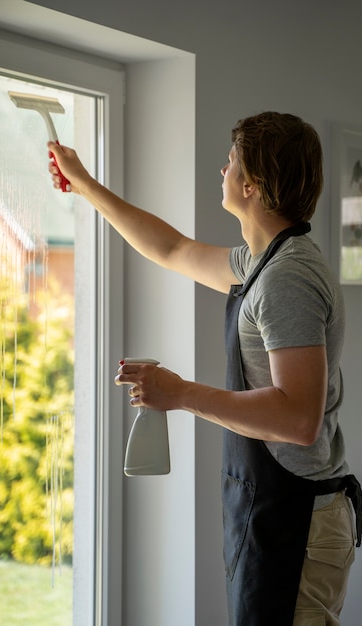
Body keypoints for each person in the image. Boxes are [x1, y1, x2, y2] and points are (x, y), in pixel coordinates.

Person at [48, 111, 361, 626]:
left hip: (297, 518)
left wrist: (179, 393)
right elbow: (171, 248)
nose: (222, 170)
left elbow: (299, 420)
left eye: (231, 161)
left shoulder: (288, 279)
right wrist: (83, 184)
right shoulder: (263, 263)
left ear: (252, 184)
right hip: (276, 510)